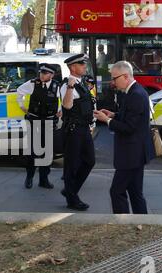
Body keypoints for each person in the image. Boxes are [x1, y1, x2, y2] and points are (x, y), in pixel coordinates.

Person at [93, 61, 155, 214]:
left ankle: (123, 224)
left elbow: (129, 127)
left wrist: (107, 120)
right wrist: (113, 115)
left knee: (117, 191)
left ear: (126, 76)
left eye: (115, 78)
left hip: (131, 155)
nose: (112, 82)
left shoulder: (136, 94)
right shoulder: (133, 91)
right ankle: (143, 221)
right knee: (135, 193)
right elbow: (131, 117)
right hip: (134, 154)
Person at [17, 63, 62, 189]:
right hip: (35, 121)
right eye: (41, 73)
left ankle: (44, 179)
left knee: (47, 152)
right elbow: (19, 91)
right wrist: (22, 106)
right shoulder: (32, 84)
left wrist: (60, 110)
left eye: (45, 73)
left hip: (49, 122)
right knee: (33, 152)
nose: (42, 75)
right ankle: (29, 177)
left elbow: (63, 99)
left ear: (52, 75)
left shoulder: (56, 86)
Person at [60, 54, 96, 211]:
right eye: (81, 64)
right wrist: (69, 87)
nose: (84, 66)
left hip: (84, 128)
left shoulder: (82, 83)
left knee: (90, 161)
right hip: (73, 130)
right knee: (71, 165)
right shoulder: (67, 85)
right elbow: (67, 106)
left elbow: (85, 105)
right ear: (73, 67)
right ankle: (72, 199)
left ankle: (70, 190)